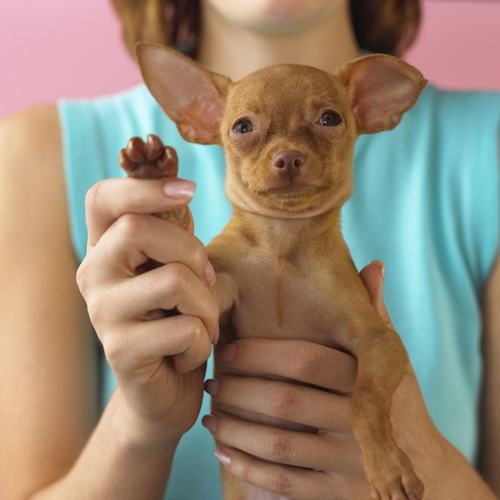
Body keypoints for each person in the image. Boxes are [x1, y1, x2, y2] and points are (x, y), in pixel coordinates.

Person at [0, 0, 498, 498]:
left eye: (325, 120)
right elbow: (193, 298)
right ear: (200, 116)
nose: (286, 155)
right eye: (246, 129)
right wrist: (141, 420)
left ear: (370, 104)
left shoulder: (483, 146)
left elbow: (376, 346)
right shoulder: (36, 155)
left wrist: (403, 448)